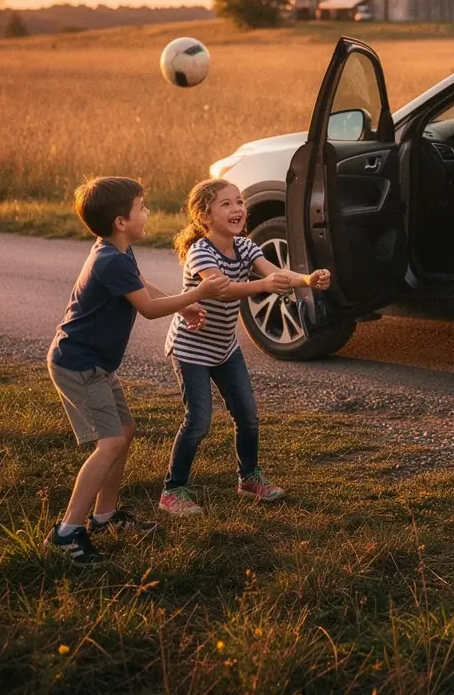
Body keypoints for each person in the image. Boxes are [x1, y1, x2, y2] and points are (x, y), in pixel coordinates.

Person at [46, 176, 230, 566]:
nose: (147, 213)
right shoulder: (110, 259)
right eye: (141, 207)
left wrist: (180, 304)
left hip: (95, 362)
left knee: (124, 433)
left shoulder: (117, 252)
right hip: (79, 365)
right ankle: (67, 532)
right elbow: (146, 309)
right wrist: (197, 294)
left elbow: (141, 288)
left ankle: (105, 517)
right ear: (121, 221)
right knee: (110, 443)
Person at [158, 178, 331, 516]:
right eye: (226, 204)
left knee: (248, 416)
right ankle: (173, 491)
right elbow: (220, 290)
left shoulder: (246, 246)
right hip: (191, 349)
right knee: (198, 421)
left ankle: (249, 478)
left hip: (224, 347)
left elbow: (275, 273)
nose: (237, 208)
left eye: (239, 201)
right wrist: (262, 285)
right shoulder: (200, 252)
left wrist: (307, 280)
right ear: (205, 216)